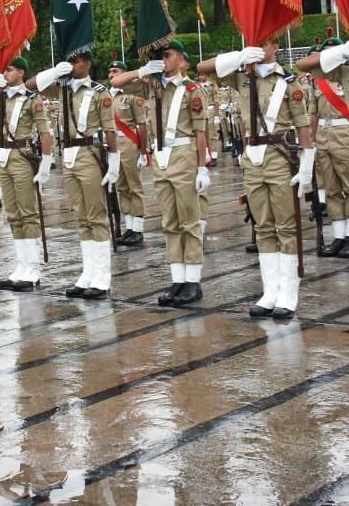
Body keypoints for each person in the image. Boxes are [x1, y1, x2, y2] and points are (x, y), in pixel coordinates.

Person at [198, 39, 312, 319]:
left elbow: (303, 125)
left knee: (285, 226)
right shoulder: (242, 76)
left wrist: (308, 163)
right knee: (263, 226)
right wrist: (238, 55)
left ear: (275, 46)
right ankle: (270, 291)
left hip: (280, 155)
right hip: (253, 157)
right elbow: (202, 67)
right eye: (255, 43)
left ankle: (288, 293)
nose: (260, 48)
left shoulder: (288, 81)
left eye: (265, 42)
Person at [112, 39, 209, 306]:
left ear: (182, 61)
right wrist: (144, 70)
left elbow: (201, 133)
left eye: (167, 55)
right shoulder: (153, 85)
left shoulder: (192, 90)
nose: (163, 60)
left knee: (189, 221)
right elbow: (118, 84)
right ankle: (178, 279)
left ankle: (193, 281)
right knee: (170, 222)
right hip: (162, 159)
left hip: (185, 156)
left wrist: (202, 168)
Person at [29, 53, 119, 299]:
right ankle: (88, 272)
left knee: (96, 215)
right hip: (68, 154)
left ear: (88, 63)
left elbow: (109, 130)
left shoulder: (100, 92)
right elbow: (30, 86)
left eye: (76, 61)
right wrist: (54, 71)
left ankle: (102, 275)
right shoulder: (62, 88)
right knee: (81, 217)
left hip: (89, 153)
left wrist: (114, 162)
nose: (72, 65)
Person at [0, 56, 52, 291]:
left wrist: (45, 163)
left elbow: (45, 132)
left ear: (22, 73)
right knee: (13, 214)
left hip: (22, 157)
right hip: (3, 157)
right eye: (4, 69)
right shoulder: (0, 96)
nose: (5, 73)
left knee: (27, 213)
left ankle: (33, 268)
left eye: (10, 69)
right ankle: (21, 265)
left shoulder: (32, 100)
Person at [295, 35, 349, 257]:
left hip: (345, 133)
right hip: (324, 136)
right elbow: (313, 113)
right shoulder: (319, 78)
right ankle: (338, 237)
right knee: (332, 189)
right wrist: (312, 141)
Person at [107, 60, 148, 247]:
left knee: (134, 186)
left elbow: (142, 124)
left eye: (115, 71)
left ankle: (138, 229)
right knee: (121, 187)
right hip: (114, 145)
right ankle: (129, 227)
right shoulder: (107, 97)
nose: (111, 75)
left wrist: (142, 151)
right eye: (109, 72)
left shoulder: (132, 95)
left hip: (130, 143)